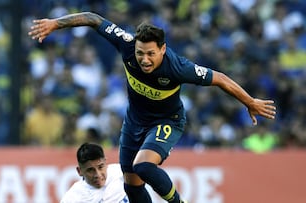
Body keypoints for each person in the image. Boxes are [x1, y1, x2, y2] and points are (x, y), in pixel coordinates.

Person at [29, 12, 277, 203]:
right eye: (140, 53)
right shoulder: (126, 44)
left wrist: (250, 102)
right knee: (132, 185)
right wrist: (55, 23)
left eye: (150, 54)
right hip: (134, 121)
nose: (144, 60)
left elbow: (220, 78)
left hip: (167, 121)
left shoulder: (177, 68)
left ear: (163, 50)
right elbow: (94, 19)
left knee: (144, 166)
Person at [60, 142, 128, 203]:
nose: (97, 175)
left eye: (100, 167)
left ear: (105, 162)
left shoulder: (121, 173)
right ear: (79, 171)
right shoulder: (72, 199)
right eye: (90, 170)